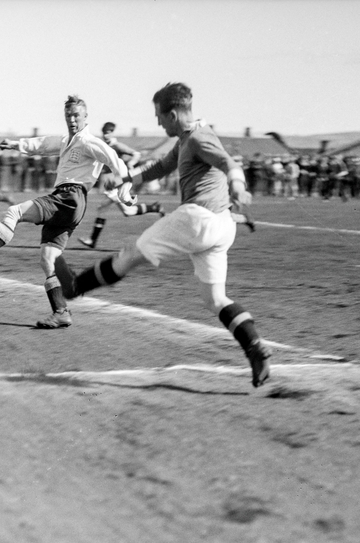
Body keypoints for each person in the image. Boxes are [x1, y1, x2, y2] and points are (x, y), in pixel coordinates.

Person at [54, 82, 272, 387]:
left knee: (131, 255)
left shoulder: (198, 138)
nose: (157, 122)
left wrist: (238, 184)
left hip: (199, 219)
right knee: (215, 299)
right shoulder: (187, 137)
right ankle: (254, 347)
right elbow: (163, 166)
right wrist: (129, 179)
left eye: (159, 116)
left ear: (172, 114)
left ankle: (75, 287)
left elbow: (228, 162)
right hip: (222, 227)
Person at [0, 95, 131, 328]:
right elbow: (41, 144)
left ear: (86, 117)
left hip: (69, 197)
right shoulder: (66, 140)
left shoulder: (89, 142)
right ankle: (61, 312)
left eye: (76, 115)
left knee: (15, 212)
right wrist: (16, 144)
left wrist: (125, 189)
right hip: (70, 203)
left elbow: (114, 159)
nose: (71, 119)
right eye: (68, 115)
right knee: (48, 259)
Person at [79, 120, 162, 249]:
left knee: (103, 208)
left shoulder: (117, 145)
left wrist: (131, 163)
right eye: (104, 133)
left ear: (112, 133)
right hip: (114, 184)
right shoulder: (104, 146)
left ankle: (92, 240)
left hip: (118, 184)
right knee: (127, 211)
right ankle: (154, 208)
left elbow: (136, 154)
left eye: (108, 133)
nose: (106, 135)